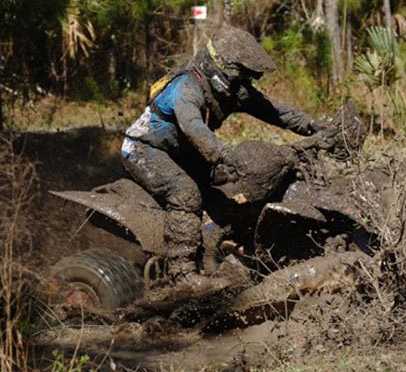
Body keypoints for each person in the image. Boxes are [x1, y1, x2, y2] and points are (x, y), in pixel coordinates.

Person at [121, 25, 359, 281]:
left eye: (248, 77)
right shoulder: (186, 87)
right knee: (186, 194)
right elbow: (193, 127)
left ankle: (217, 250)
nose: (245, 82)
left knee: (232, 190)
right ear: (221, 66)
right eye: (241, 74)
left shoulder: (235, 90)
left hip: (184, 153)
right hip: (145, 149)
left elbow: (277, 112)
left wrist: (315, 126)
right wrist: (222, 154)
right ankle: (183, 274)